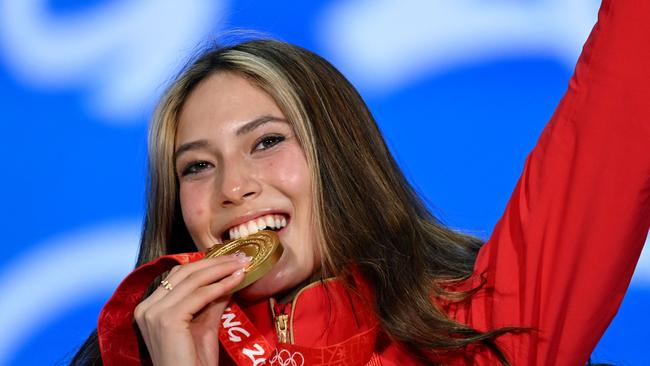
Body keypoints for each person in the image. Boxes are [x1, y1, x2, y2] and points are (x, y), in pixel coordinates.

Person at [71, 0, 649, 364]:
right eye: (197, 165)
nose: (233, 186)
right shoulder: (135, 353)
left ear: (341, 160)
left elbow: (625, 91)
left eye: (267, 142)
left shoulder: (482, 333)